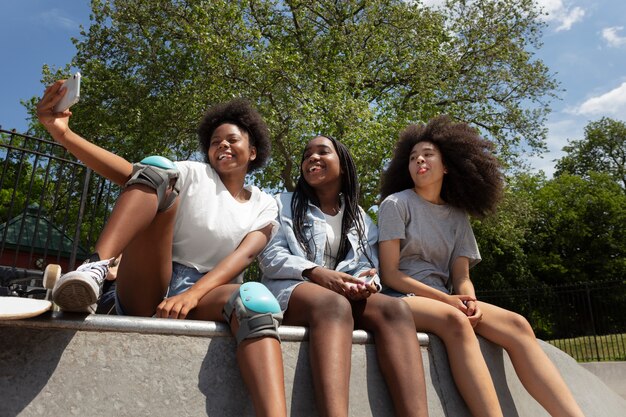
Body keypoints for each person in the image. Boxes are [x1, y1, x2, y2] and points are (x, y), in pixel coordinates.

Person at [36, 81, 287, 417]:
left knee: (256, 301)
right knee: (156, 168)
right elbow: (131, 175)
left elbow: (244, 256)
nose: (222, 146)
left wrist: (193, 295)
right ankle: (94, 268)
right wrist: (63, 134)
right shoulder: (194, 173)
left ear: (252, 152)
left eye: (231, 140)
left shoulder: (264, 204)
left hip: (208, 289)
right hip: (153, 279)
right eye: (215, 142)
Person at [377, 115, 585, 417]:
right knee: (456, 320)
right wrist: (447, 300)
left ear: (447, 165)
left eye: (427, 155)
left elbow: (461, 275)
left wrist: (469, 300)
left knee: (517, 324)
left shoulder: (458, 216)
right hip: (402, 300)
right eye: (412, 157)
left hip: (447, 300)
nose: (419, 160)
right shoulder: (396, 204)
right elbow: (390, 274)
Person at [259, 135, 429, 417]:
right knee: (332, 304)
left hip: (340, 295)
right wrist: (318, 274)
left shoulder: (360, 218)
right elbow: (270, 258)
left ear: (343, 164)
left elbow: (368, 266)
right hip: (291, 291)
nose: (312, 158)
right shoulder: (281, 203)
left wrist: (365, 284)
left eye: (323, 152)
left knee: (395, 309)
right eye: (307, 154)